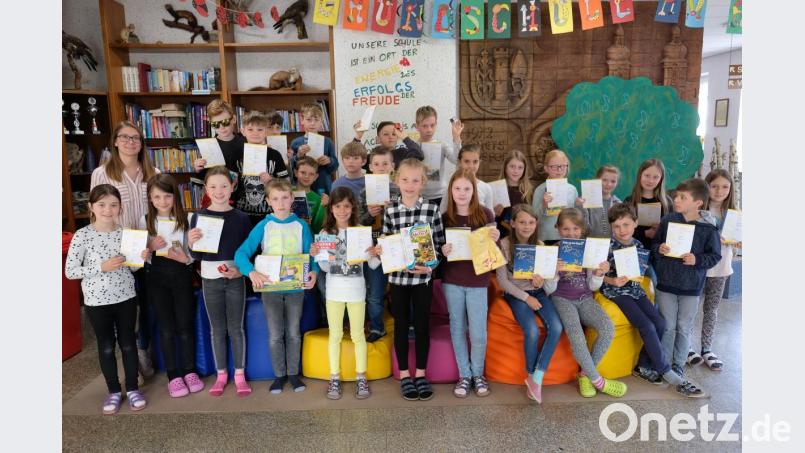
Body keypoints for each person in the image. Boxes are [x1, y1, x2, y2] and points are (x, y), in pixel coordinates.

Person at [601, 203, 705, 397]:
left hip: (635, 289)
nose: (621, 230)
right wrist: (611, 279)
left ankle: (642, 366)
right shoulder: (607, 247)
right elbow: (597, 276)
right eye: (616, 226)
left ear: (635, 224)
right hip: (616, 292)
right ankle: (666, 371)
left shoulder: (638, 245)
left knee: (660, 323)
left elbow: (639, 271)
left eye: (625, 225)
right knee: (647, 326)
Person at [64, 184, 148, 414]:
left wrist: (140, 259)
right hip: (96, 302)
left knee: (129, 344)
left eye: (113, 205)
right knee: (107, 347)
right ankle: (113, 391)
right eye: (101, 204)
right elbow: (70, 271)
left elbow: (132, 270)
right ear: (91, 207)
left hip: (126, 298)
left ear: (120, 207)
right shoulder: (82, 235)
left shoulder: (126, 233)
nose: (107, 209)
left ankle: (132, 388)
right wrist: (101, 266)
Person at [234, 179, 319, 394]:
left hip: (295, 289)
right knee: (275, 334)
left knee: (293, 332)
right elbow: (241, 253)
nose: (280, 203)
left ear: (292, 199)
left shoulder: (301, 225)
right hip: (270, 289)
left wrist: (314, 271)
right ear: (268, 201)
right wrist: (251, 271)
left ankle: (293, 374)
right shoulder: (264, 225)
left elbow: (312, 254)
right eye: (275, 199)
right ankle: (279, 375)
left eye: (284, 198)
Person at [91, 120, 160, 379]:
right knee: (126, 305)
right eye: (125, 137)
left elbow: (160, 208)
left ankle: (143, 351)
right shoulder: (102, 173)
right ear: (116, 141)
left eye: (136, 138)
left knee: (146, 302)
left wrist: (154, 240)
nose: (131, 142)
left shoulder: (153, 171)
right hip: (117, 251)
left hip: (146, 248)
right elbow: (96, 212)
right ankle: (130, 357)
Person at [379, 158, 445, 400]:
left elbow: (438, 245)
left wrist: (430, 267)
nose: (409, 185)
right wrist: (380, 249)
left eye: (415, 180)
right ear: (397, 180)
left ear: (423, 183)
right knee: (400, 326)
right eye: (405, 180)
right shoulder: (391, 210)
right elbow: (386, 241)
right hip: (398, 280)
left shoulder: (432, 209)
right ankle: (405, 375)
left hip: (422, 281)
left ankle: (421, 374)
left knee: (422, 325)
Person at [546, 208, 627, 398]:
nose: (571, 233)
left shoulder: (588, 250)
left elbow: (592, 285)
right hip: (561, 298)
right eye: (566, 229)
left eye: (575, 229)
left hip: (585, 298)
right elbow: (548, 289)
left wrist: (599, 274)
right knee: (577, 336)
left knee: (608, 328)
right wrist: (554, 271)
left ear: (582, 230)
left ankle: (585, 375)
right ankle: (598, 381)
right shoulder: (553, 251)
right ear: (558, 229)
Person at [189, 166, 253, 397]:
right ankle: (221, 374)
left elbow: (249, 252)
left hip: (235, 278)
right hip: (209, 278)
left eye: (224, 186)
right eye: (213, 186)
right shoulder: (198, 216)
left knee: (236, 328)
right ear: (206, 189)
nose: (219, 191)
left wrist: (241, 272)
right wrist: (191, 242)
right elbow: (196, 256)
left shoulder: (242, 218)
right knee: (217, 329)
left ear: (232, 188)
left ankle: (239, 374)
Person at [310, 187, 380, 400]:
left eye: (347, 206)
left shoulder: (360, 231)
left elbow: (374, 265)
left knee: (358, 335)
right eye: (338, 206)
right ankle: (334, 377)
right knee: (336, 335)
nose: (342, 211)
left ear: (353, 208)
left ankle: (361, 377)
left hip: (357, 293)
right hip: (334, 293)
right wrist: (317, 255)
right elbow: (322, 268)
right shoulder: (325, 234)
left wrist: (376, 252)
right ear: (331, 208)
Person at [139, 174, 203, 398]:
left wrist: (184, 259)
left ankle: (189, 370)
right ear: (150, 198)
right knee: (166, 328)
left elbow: (193, 255)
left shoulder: (187, 218)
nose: (163, 201)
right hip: (156, 279)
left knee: (185, 326)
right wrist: (149, 248)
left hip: (181, 276)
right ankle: (173, 375)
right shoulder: (145, 220)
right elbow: (141, 258)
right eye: (157, 197)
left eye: (167, 196)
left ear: (175, 196)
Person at [653, 178, 721, 378]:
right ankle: (664, 364)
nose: (676, 199)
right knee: (668, 325)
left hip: (691, 287)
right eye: (676, 196)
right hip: (665, 284)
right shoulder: (668, 220)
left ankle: (678, 363)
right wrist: (660, 248)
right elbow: (655, 245)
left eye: (683, 197)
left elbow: (715, 256)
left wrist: (697, 259)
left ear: (698, 202)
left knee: (683, 326)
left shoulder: (709, 228)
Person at [495, 204, 563, 403]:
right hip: (516, 295)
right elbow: (502, 282)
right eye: (522, 222)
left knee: (557, 327)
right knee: (532, 330)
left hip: (539, 292)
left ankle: (536, 377)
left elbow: (549, 286)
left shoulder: (541, 246)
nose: (527, 226)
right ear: (513, 223)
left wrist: (542, 281)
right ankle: (531, 373)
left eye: (531, 222)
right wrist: (526, 298)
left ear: (536, 224)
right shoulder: (504, 245)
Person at [440, 169, 499, 398]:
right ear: (451, 191)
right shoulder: (445, 218)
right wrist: (443, 250)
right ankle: (464, 375)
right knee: (457, 327)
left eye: (466, 188)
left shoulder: (485, 214)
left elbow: (493, 256)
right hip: (452, 280)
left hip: (478, 281)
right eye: (457, 188)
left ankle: (478, 374)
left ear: (474, 191)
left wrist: (495, 241)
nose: (462, 193)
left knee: (478, 332)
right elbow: (436, 252)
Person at [688, 169, 741, 371]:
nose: (719, 191)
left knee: (711, 309)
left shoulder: (734, 215)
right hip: (699, 267)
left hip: (721, 268)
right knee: (691, 307)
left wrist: (738, 242)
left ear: (730, 189)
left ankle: (707, 349)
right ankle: (687, 347)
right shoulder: (698, 211)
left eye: (725, 187)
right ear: (706, 187)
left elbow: (739, 241)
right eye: (714, 186)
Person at [357, 147, 400, 342]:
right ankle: (377, 327)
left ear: (392, 166)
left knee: (401, 291)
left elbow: (407, 221)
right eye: (376, 164)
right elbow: (357, 222)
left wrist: (394, 211)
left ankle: (406, 324)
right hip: (373, 250)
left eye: (385, 164)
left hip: (396, 248)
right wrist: (369, 215)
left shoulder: (399, 190)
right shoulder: (363, 192)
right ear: (370, 166)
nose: (381, 167)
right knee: (374, 293)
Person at [192, 99, 246, 207]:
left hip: (244, 201)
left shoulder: (246, 143)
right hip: (218, 201)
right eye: (216, 124)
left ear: (234, 119)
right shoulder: (209, 147)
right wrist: (198, 169)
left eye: (225, 122)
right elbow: (204, 179)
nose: (221, 127)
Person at [409, 106, 464, 205]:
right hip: (419, 196)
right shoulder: (412, 148)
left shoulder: (442, 145)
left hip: (441, 195)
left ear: (436, 124)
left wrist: (456, 138)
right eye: (424, 126)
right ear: (417, 126)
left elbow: (458, 161)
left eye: (432, 125)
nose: (429, 130)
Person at [532, 149, 581, 245]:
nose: (559, 170)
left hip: (568, 236)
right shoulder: (540, 190)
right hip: (546, 237)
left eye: (563, 166)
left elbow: (576, 217)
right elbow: (533, 218)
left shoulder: (572, 190)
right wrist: (543, 205)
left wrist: (579, 205)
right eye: (554, 167)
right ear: (546, 168)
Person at [623, 159, 673, 250]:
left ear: (661, 179)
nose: (650, 181)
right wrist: (645, 233)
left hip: (660, 253)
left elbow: (673, 230)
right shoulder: (629, 201)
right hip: (634, 251)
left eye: (655, 177)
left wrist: (661, 229)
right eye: (647, 175)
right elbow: (622, 228)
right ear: (640, 175)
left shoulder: (667, 202)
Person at [290, 103, 339, 194]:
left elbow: (334, 167)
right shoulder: (296, 143)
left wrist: (329, 161)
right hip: (302, 185)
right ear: (302, 121)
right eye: (308, 120)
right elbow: (291, 168)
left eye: (316, 120)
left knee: (322, 207)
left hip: (322, 185)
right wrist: (298, 156)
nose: (312, 123)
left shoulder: (327, 142)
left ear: (321, 122)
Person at [439, 144, 494, 212]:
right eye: (466, 161)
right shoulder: (451, 187)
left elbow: (491, 216)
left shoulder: (486, 188)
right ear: (459, 162)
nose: (471, 166)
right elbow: (442, 213)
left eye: (475, 162)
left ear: (480, 162)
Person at [494, 150, 535, 239]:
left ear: (524, 170)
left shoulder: (528, 191)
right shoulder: (496, 189)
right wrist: (495, 214)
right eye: (512, 166)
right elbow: (490, 218)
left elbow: (533, 217)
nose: (516, 171)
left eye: (520, 167)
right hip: (500, 236)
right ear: (505, 167)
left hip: (522, 237)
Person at [355, 121, 424, 168]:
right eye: (386, 134)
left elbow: (419, 155)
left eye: (394, 134)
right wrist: (358, 136)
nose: (390, 137)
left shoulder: (403, 153)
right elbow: (353, 158)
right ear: (378, 139)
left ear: (398, 137)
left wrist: (404, 137)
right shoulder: (372, 157)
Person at [580, 165, 622, 238]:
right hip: (590, 244)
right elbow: (583, 228)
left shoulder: (618, 204)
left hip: (611, 246)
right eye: (604, 180)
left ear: (617, 183)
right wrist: (580, 206)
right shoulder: (586, 200)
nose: (608, 184)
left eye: (613, 181)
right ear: (597, 179)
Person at [294, 156, 329, 233]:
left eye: (311, 174)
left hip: (308, 241)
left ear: (316, 177)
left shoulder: (318, 199)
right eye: (303, 172)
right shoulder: (286, 193)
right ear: (296, 173)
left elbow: (317, 228)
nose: (307, 176)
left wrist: (323, 207)